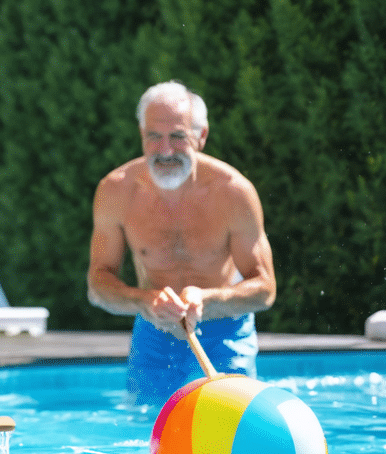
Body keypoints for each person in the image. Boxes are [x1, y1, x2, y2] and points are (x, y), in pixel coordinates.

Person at [87, 80, 276, 405]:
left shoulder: (233, 192)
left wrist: (206, 299)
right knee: (146, 431)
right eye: (153, 137)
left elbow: (265, 289)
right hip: (154, 330)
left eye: (177, 136)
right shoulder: (116, 191)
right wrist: (144, 301)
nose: (165, 151)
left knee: (230, 433)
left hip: (224, 328)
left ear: (201, 136)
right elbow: (97, 285)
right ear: (141, 134)